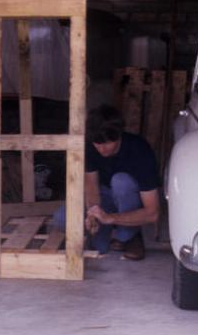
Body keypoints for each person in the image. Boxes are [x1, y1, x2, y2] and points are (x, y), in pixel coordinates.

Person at [51, 104, 160, 260]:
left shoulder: (140, 150)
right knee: (61, 219)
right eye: (98, 144)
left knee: (121, 181)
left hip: (129, 197)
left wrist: (111, 218)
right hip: (105, 196)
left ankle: (129, 235)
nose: (102, 149)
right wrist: (93, 214)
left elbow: (153, 213)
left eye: (108, 143)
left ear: (119, 135)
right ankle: (111, 233)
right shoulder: (90, 147)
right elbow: (92, 188)